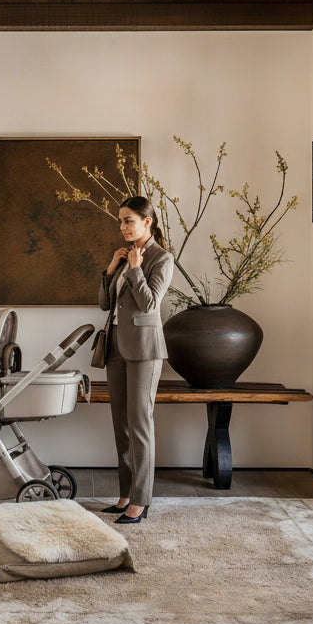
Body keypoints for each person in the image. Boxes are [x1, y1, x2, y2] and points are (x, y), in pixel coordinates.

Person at [98, 196, 174, 524]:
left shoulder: (161, 258)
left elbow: (149, 304)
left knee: (140, 423)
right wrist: (111, 270)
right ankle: (126, 493)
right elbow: (104, 304)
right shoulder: (124, 256)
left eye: (129, 220)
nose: (123, 227)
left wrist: (135, 269)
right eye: (120, 221)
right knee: (120, 425)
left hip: (144, 349)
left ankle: (141, 500)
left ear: (148, 221)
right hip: (115, 346)